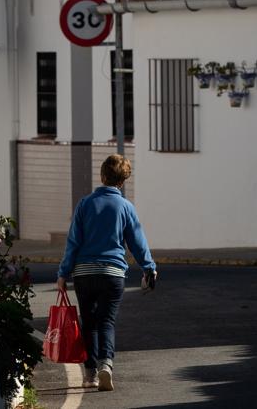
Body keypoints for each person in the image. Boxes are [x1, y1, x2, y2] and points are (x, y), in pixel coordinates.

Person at [56, 154, 157, 392]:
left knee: (89, 322)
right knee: (106, 322)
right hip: (112, 273)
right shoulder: (125, 207)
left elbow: (73, 242)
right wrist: (149, 268)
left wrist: (63, 273)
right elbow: (137, 241)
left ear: (102, 176)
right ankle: (106, 366)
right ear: (123, 181)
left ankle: (90, 374)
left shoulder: (85, 204)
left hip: (84, 273)